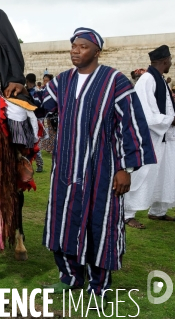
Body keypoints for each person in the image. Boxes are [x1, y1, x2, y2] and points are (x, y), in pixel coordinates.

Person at [42, 28, 155, 297]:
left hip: (102, 170)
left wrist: (125, 169)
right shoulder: (62, 81)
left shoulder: (115, 81)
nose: (75, 51)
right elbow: (40, 104)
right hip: (66, 169)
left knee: (99, 225)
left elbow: (131, 125)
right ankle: (69, 276)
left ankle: (98, 287)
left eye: (82, 46)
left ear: (96, 51)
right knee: (63, 221)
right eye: (73, 46)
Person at [125, 45, 175, 228]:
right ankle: (127, 213)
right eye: (170, 60)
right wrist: (171, 120)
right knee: (142, 175)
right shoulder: (147, 79)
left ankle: (158, 211)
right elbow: (145, 113)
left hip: (164, 137)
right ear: (164, 61)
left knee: (164, 173)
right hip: (150, 137)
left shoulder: (159, 79)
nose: (171, 63)